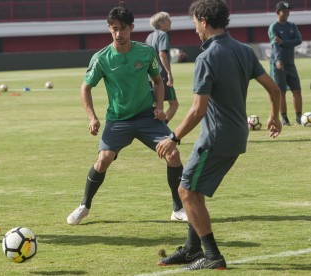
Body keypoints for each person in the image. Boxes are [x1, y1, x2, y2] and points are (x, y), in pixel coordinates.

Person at [155, 0, 282, 270]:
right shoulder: (244, 50)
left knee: (186, 192)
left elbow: (198, 110)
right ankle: (191, 249)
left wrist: (173, 137)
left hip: (216, 136)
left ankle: (212, 256)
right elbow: (274, 90)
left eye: (194, 24)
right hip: (236, 135)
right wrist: (273, 117)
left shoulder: (206, 57)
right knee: (194, 190)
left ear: (203, 21)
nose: (194, 31)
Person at [66, 3, 187, 226]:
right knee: (103, 160)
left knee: (173, 155)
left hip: (146, 117)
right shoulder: (101, 58)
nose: (118, 34)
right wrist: (92, 117)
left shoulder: (145, 52)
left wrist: (159, 106)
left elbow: (158, 81)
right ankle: (84, 206)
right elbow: (85, 88)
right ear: (109, 28)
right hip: (118, 119)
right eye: (114, 28)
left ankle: (178, 208)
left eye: (122, 28)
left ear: (131, 27)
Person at [269, 1, 302, 126]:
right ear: (278, 12)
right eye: (284, 11)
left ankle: (299, 118)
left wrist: (284, 42)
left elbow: (298, 40)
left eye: (288, 11)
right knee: (281, 92)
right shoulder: (274, 27)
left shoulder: (292, 26)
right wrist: (277, 60)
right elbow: (275, 45)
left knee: (297, 90)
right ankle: (285, 119)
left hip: (290, 63)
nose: (287, 13)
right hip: (278, 64)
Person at [145, 11, 179, 124]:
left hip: (150, 75)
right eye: (168, 20)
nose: (171, 22)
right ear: (161, 23)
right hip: (162, 75)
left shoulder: (149, 37)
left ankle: (155, 129)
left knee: (157, 105)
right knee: (174, 104)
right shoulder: (163, 35)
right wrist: (169, 73)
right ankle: (162, 128)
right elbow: (162, 54)